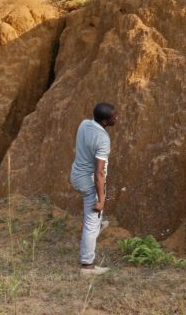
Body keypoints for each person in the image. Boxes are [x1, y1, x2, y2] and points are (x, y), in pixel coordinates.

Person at [70, 102, 117, 275]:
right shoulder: (103, 139)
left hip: (76, 175)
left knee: (94, 217)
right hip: (88, 180)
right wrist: (102, 199)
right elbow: (99, 173)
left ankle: (96, 225)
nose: (116, 118)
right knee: (92, 218)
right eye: (113, 117)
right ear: (105, 121)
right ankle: (87, 265)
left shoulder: (84, 124)